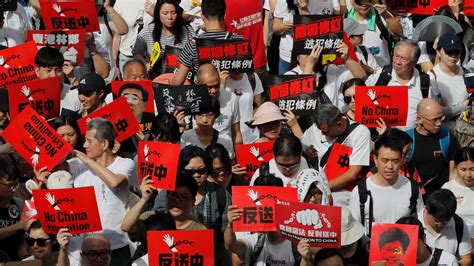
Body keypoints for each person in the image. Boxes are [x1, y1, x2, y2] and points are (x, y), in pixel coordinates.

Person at [69, 118, 135, 266]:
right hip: (87, 248)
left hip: (117, 245)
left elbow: (114, 182)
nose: (84, 145)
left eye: (89, 141)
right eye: (84, 140)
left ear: (104, 144)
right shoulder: (77, 167)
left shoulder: (125, 164)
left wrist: (89, 162)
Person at [153, 145, 231, 265]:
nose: (196, 175)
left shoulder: (220, 194)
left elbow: (226, 237)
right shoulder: (166, 195)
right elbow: (156, 231)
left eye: (201, 171)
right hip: (174, 259)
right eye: (190, 171)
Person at [349, 136, 424, 235]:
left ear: (402, 160)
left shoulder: (412, 188)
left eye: (395, 161)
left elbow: (420, 222)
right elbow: (354, 227)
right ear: (375, 160)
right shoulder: (360, 190)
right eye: (385, 160)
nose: (390, 166)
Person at [301, 104, 371, 206]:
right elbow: (301, 149)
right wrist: (308, 154)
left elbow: (353, 174)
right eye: (320, 130)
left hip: (346, 198)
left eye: (326, 131)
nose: (322, 134)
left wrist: (322, 188)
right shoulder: (316, 130)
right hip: (321, 198)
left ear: (339, 123)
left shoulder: (360, 132)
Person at [225, 175, 300, 265]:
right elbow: (232, 245)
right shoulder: (255, 242)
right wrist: (230, 225)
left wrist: (305, 259)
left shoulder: (296, 245)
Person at [366, 39, 436, 130]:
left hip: (413, 140)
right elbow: (366, 102)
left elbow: (432, 113)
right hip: (384, 139)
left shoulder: (424, 82)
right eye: (396, 56)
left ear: (414, 63)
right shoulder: (382, 75)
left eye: (404, 59)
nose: (398, 62)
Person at [171, 0, 243, 85]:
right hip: (232, 96)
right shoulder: (238, 40)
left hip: (205, 94)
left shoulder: (193, 43)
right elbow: (239, 77)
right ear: (224, 15)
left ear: (202, 16)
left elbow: (178, 81)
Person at [406, 98, 460, 194]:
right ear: (419, 119)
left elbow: (454, 171)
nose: (439, 123)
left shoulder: (446, 136)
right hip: (415, 196)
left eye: (441, 118)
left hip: (441, 196)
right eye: (434, 120)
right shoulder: (407, 139)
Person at [132, 0, 193, 69]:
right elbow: (137, 52)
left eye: (173, 13)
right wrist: (145, 64)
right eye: (165, 13)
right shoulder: (148, 30)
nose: (170, 17)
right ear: (158, 13)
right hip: (154, 77)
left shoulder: (187, 31)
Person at [416, 189, 472, 265]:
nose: (439, 224)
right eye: (436, 220)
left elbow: (466, 258)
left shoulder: (459, 224)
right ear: (426, 209)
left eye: (445, 221)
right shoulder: (412, 224)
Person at [429, 32, 470, 130]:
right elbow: (435, 113)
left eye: (456, 52)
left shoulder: (466, 73)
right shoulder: (432, 77)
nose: (453, 56)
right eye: (448, 52)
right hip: (445, 133)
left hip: (467, 132)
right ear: (438, 52)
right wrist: (463, 106)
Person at [196, 63, 243, 145]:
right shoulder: (190, 101)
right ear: (198, 84)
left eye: (217, 85)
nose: (214, 90)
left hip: (226, 155)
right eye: (209, 87)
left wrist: (239, 156)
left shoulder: (232, 98)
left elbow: (236, 133)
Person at [347, 0, 403, 67]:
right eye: (359, 1)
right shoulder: (345, 19)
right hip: (357, 73)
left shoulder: (382, 14)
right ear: (351, 1)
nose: (364, 5)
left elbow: (398, 32)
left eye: (367, 1)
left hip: (382, 72)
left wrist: (385, 14)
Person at [34, 46, 82, 118]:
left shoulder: (75, 95)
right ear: (37, 71)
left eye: (58, 70)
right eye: (48, 70)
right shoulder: (29, 97)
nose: (54, 75)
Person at [442, 147, 474, 241]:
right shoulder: (448, 188)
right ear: (456, 168)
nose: (468, 174)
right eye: (463, 170)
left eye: (472, 169)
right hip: (457, 240)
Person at [0, 157, 27, 261]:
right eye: (10, 185)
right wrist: (20, 225)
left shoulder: (19, 204)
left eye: (16, 184)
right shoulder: (20, 225)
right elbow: (21, 227)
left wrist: (26, 258)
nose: (15, 189)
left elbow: (21, 240)